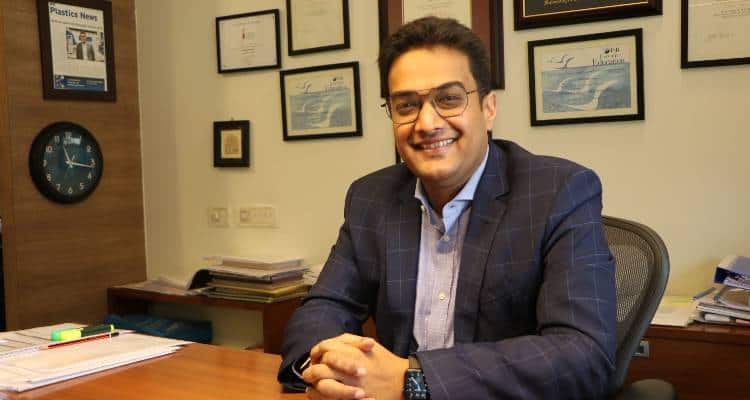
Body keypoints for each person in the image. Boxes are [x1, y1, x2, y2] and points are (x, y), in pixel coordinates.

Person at [278, 16, 616, 400]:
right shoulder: (371, 198)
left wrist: (413, 380)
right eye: (406, 105)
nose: (427, 123)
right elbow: (323, 309)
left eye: (449, 99)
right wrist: (327, 370)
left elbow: (583, 354)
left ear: (488, 108)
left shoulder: (559, 192)